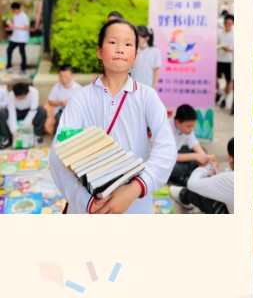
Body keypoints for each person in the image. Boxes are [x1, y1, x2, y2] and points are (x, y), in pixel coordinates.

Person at [49, 19, 176, 214]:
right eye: (113, 42)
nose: (120, 49)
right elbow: (58, 152)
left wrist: (136, 187)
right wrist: (85, 201)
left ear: (135, 55)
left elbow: (166, 147)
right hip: (89, 206)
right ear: (100, 52)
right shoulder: (81, 98)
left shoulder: (147, 96)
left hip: (134, 205)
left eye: (128, 44)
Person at [170, 138, 233, 214]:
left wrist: (203, 169)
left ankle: (183, 194)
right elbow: (193, 142)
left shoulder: (229, 178)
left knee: (196, 190)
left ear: (230, 159)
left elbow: (192, 184)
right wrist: (201, 156)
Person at [168, 104, 209, 187]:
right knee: (172, 168)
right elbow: (171, 156)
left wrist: (204, 156)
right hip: (168, 157)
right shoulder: (167, 129)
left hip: (178, 151)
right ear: (177, 122)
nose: (191, 129)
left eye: (193, 126)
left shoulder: (186, 126)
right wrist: (195, 156)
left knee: (203, 151)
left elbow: (193, 142)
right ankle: (184, 174)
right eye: (188, 126)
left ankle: (185, 173)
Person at [46, 64, 83, 134]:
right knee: (60, 121)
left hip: (74, 111)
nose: (63, 80)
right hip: (60, 111)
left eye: (66, 77)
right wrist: (60, 103)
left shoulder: (78, 88)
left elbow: (83, 103)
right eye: (61, 77)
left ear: (72, 76)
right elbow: (51, 101)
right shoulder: (56, 88)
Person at [5, 2, 31, 74]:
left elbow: (27, 27)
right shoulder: (15, 15)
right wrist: (10, 23)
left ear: (19, 9)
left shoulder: (24, 16)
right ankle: (9, 66)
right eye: (13, 10)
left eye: (15, 10)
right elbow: (15, 25)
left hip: (22, 38)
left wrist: (15, 26)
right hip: (15, 37)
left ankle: (23, 68)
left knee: (21, 52)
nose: (14, 11)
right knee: (9, 50)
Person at [216, 14, 234, 109]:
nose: (228, 25)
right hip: (219, 59)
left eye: (230, 23)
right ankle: (219, 92)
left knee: (229, 81)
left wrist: (230, 50)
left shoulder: (235, 35)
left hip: (229, 60)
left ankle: (224, 97)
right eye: (226, 23)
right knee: (215, 79)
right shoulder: (219, 34)